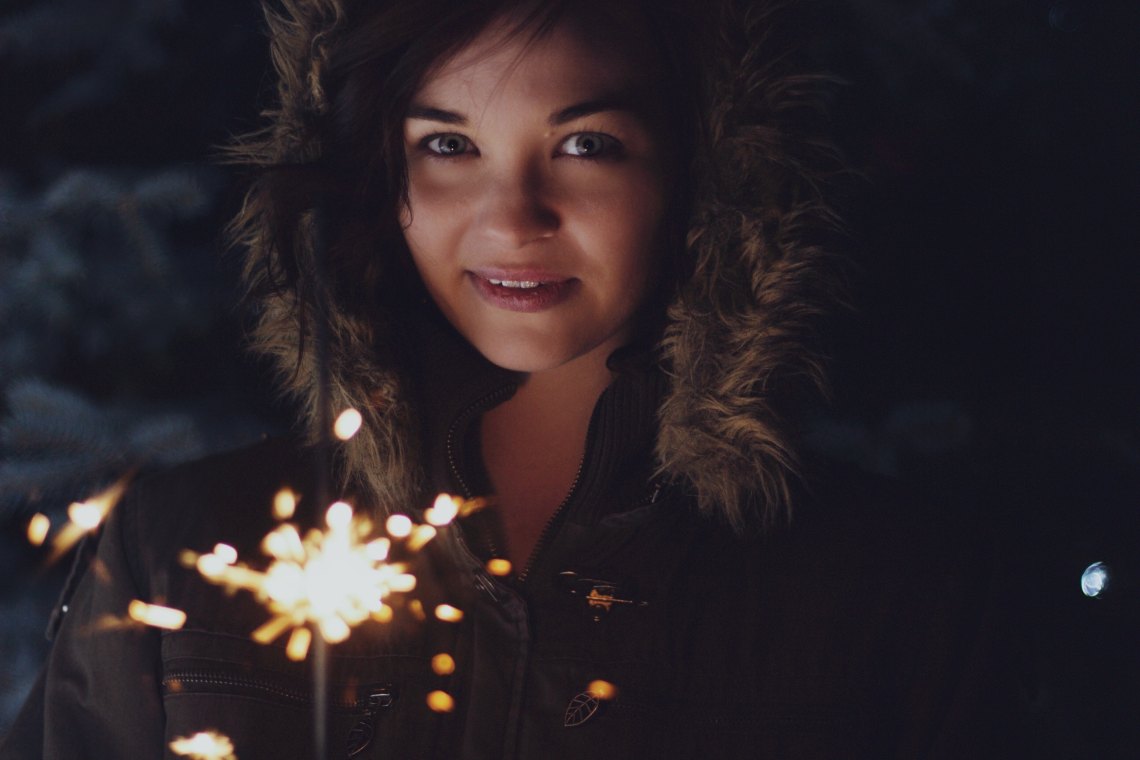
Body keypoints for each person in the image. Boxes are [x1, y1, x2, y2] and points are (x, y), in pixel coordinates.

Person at [1, 0, 1014, 757]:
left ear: (707, 176)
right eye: (448, 145)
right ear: (367, 179)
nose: (512, 216)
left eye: (585, 144)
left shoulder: (889, 594)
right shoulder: (183, 549)